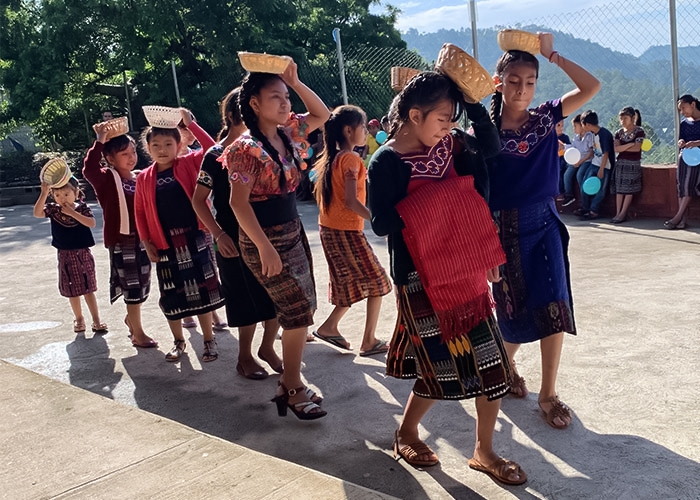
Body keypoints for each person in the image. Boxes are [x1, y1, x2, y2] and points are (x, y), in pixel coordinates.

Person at [369, 71, 527, 485]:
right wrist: (440, 202)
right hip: (419, 278)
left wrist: (471, 100)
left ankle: (485, 451)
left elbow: (490, 147)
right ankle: (406, 430)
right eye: (442, 118)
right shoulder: (385, 160)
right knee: (440, 367)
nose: (448, 128)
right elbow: (383, 222)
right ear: (415, 115)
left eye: (453, 120)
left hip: (466, 268)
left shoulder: (453, 145)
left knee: (492, 363)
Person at [488, 33, 600, 429]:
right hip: (501, 229)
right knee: (512, 311)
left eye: (531, 81)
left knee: (554, 303)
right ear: (498, 82)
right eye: (514, 80)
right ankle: (506, 367)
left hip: (545, 222)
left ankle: (548, 393)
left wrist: (552, 55)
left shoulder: (547, 117)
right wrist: (485, 250)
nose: (523, 89)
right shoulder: (481, 132)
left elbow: (591, 87)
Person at [222, 58, 330, 420]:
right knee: (296, 313)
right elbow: (238, 204)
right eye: (276, 97)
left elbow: (323, 113)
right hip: (262, 239)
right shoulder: (243, 148)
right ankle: (293, 385)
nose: (286, 104)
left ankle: (290, 382)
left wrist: (296, 82)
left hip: (292, 232)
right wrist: (264, 247)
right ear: (254, 103)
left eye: (286, 97)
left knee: (304, 309)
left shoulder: (290, 133)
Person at [191, 88, 281, 380]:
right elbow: (198, 200)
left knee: (275, 296)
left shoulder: (261, 147)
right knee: (245, 301)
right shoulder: (215, 156)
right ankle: (245, 357)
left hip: (264, 236)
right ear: (231, 116)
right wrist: (218, 234)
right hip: (231, 238)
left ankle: (267, 347)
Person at [134, 108, 224, 363]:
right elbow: (139, 211)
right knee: (172, 295)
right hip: (164, 244)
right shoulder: (143, 178)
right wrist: (146, 241)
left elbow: (214, 149)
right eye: (155, 145)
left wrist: (191, 125)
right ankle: (178, 342)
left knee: (202, 293)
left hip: (194, 237)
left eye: (168, 143)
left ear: (179, 144)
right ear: (147, 148)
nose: (162, 149)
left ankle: (208, 340)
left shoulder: (189, 163)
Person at [312, 105, 391, 356]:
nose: (366, 130)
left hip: (331, 228)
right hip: (345, 231)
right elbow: (350, 200)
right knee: (378, 282)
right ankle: (368, 340)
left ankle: (329, 327)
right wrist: (376, 221)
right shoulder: (350, 159)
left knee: (350, 284)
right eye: (362, 126)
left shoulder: (332, 158)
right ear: (348, 131)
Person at [82, 123, 157, 348]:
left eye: (133, 152)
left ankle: (131, 320)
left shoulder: (139, 177)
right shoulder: (107, 179)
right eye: (124, 154)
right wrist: (100, 140)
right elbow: (89, 169)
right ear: (111, 159)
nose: (131, 157)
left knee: (143, 284)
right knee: (132, 286)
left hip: (142, 239)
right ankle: (138, 332)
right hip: (122, 240)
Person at [33, 177, 108, 334]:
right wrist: (44, 193)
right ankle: (79, 319)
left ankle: (96, 320)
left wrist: (73, 213)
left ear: (76, 193)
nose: (62, 198)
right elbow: (37, 213)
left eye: (66, 194)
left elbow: (91, 223)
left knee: (89, 288)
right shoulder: (53, 209)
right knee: (72, 289)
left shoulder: (82, 208)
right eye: (58, 195)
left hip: (83, 253)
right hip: (65, 254)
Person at [176, 122, 228, 332]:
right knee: (184, 271)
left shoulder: (196, 156)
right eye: (182, 128)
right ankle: (190, 312)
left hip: (201, 222)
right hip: (177, 225)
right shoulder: (164, 158)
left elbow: (211, 147)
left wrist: (192, 124)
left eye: (188, 129)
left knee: (207, 268)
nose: (187, 133)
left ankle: (211, 312)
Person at [665, 94, 700, 229]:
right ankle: (682, 219)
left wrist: (696, 143)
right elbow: (682, 138)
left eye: (684, 108)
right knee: (681, 186)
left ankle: (677, 217)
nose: (682, 112)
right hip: (685, 157)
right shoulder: (684, 123)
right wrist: (681, 142)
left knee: (688, 186)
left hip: (697, 160)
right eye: (680, 110)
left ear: (692, 104)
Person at [576, 110, 615, 220]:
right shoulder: (593, 134)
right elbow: (594, 150)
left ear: (587, 124)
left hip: (605, 166)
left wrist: (602, 169)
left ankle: (594, 210)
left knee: (601, 189)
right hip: (594, 163)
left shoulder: (604, 134)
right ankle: (585, 208)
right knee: (585, 185)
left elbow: (606, 153)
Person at [610, 107, 645, 224]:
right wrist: (630, 144)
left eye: (625, 118)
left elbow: (637, 148)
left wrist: (625, 147)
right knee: (619, 189)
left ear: (633, 118)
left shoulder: (639, 131)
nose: (622, 121)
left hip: (633, 163)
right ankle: (617, 212)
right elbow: (616, 148)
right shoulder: (618, 133)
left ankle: (623, 213)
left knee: (629, 189)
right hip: (620, 163)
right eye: (621, 118)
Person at [568, 114, 595, 206]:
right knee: (567, 174)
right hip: (577, 160)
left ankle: (585, 202)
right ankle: (568, 195)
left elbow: (591, 153)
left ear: (581, 125)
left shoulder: (589, 136)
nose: (574, 129)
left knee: (580, 176)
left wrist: (580, 161)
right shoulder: (576, 137)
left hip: (586, 161)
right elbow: (572, 147)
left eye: (575, 126)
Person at [555, 120, 572, 202]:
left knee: (559, 169)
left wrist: (563, 147)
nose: (561, 128)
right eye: (558, 125)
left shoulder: (565, 137)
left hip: (563, 159)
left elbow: (569, 149)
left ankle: (561, 192)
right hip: (553, 159)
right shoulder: (551, 137)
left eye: (562, 125)